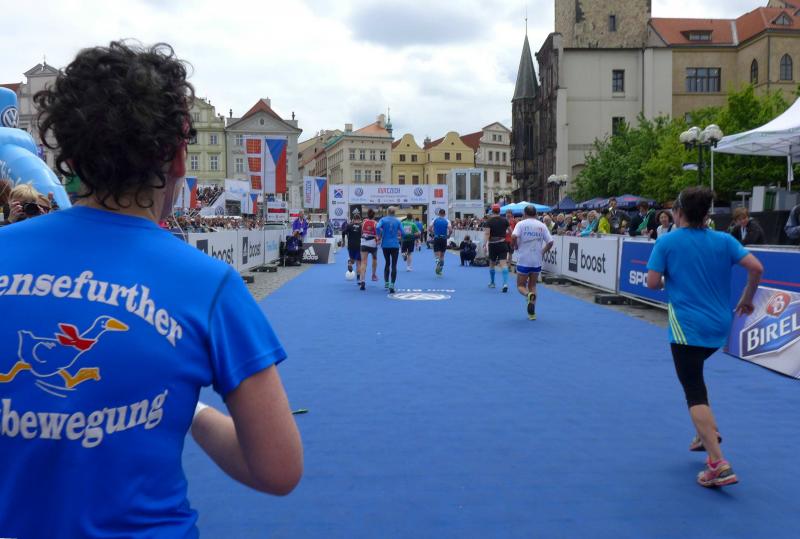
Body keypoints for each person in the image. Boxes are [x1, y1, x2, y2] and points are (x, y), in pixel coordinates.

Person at [0, 41, 302, 537]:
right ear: (177, 157)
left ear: (69, 157)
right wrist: (196, 413)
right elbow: (277, 467)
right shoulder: (207, 284)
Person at [646, 187, 763, 488]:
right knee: (697, 378)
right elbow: (756, 268)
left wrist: (670, 279)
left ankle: (718, 463)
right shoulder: (724, 240)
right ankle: (704, 433)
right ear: (706, 213)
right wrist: (747, 298)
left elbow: (652, 282)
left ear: (678, 212)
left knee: (693, 391)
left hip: (687, 327)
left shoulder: (667, 241)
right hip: (719, 325)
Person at [511, 205, 554, 320]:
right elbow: (550, 242)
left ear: (524, 214)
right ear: (535, 214)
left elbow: (514, 236)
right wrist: (542, 252)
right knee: (533, 285)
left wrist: (514, 245)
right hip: (536, 260)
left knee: (521, 285)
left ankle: (528, 295)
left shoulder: (521, 224)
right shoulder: (542, 225)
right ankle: (532, 314)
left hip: (524, 259)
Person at [483, 204, 510, 292]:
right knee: (503, 264)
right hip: (502, 243)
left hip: (493, 244)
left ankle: (492, 282)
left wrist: (484, 244)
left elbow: (487, 234)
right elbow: (511, 231)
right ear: (499, 211)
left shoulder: (489, 221)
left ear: (492, 211)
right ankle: (505, 283)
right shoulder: (505, 220)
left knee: (492, 264)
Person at [376, 206, 403, 293]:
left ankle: (386, 283)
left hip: (385, 245)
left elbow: (377, 227)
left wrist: (379, 235)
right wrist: (400, 237)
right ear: (394, 212)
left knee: (387, 263)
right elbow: (403, 232)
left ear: (387, 212)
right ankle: (392, 285)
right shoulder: (398, 221)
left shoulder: (383, 220)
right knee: (394, 265)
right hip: (395, 245)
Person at [359, 208, 380, 288]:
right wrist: (378, 239)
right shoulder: (376, 223)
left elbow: (361, 232)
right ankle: (373, 275)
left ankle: (362, 280)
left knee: (363, 262)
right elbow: (378, 233)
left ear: (367, 215)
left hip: (364, 242)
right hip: (373, 243)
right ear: (374, 216)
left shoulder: (363, 222)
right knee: (374, 259)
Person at [431, 208, 452, 276]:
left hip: (437, 238)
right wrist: (448, 235)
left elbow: (429, 228)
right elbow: (450, 230)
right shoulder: (447, 221)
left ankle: (438, 264)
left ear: (439, 214)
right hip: (443, 238)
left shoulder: (434, 220)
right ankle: (440, 268)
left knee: (437, 255)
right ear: (445, 214)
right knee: (442, 255)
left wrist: (433, 233)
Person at [343, 212, 363, 283]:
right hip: (358, 246)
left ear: (353, 219)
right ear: (359, 220)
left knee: (352, 260)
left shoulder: (349, 225)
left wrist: (343, 241)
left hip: (350, 245)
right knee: (358, 262)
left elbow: (343, 232)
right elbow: (364, 235)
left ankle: (350, 263)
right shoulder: (361, 226)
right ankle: (358, 278)